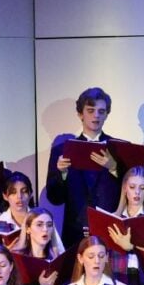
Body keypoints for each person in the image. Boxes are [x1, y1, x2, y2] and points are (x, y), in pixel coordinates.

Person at [45, 87, 124, 249]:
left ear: (107, 115)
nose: (96, 115)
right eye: (90, 110)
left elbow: (133, 190)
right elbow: (54, 198)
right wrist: (62, 174)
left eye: (101, 111)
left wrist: (114, 168)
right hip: (75, 232)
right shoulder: (62, 150)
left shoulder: (119, 148)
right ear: (80, 114)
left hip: (111, 230)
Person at [0, 171, 38, 246]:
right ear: (5, 196)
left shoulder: (41, 219)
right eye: (13, 192)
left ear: (31, 194)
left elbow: (57, 251)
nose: (19, 196)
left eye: (24, 191)